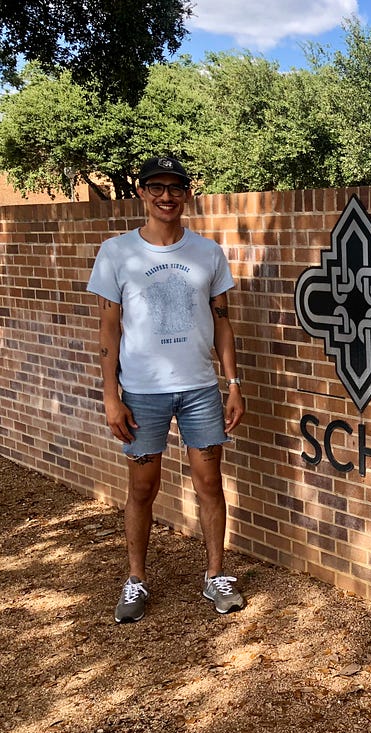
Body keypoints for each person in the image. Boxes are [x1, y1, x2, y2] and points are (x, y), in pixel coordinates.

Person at [87, 155, 247, 623]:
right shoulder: (117, 253)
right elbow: (108, 330)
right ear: (141, 192)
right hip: (141, 393)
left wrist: (232, 383)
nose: (166, 196)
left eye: (175, 188)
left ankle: (215, 575)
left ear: (186, 194)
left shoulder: (207, 252)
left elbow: (222, 323)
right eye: (156, 187)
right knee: (142, 487)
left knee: (210, 483)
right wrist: (110, 395)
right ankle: (135, 580)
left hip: (199, 388)